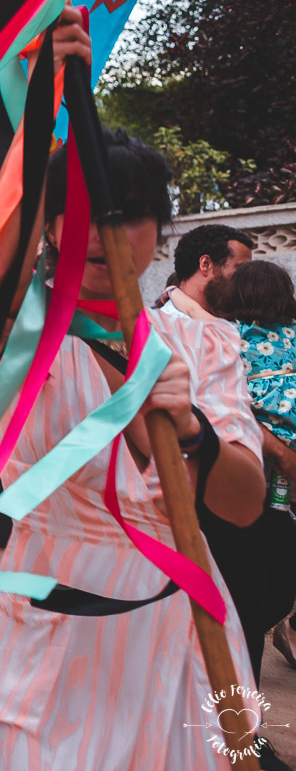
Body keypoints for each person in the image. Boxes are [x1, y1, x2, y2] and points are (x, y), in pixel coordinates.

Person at [0, 6, 269, 769]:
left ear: (161, 230)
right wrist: (45, 102)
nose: (104, 233)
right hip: (53, 626)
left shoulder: (201, 342)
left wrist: (193, 432)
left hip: (180, 627)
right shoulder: (21, 326)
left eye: (131, 216)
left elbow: (245, 505)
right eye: (77, 210)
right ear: (50, 224)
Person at [169, 263, 296, 680]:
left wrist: (174, 294)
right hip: (277, 472)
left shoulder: (225, 335)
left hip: (238, 472)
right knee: (264, 590)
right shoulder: (285, 337)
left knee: (247, 591)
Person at [159, 224, 253, 318]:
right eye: (241, 269)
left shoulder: (234, 318)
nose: (246, 278)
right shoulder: (169, 323)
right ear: (206, 264)